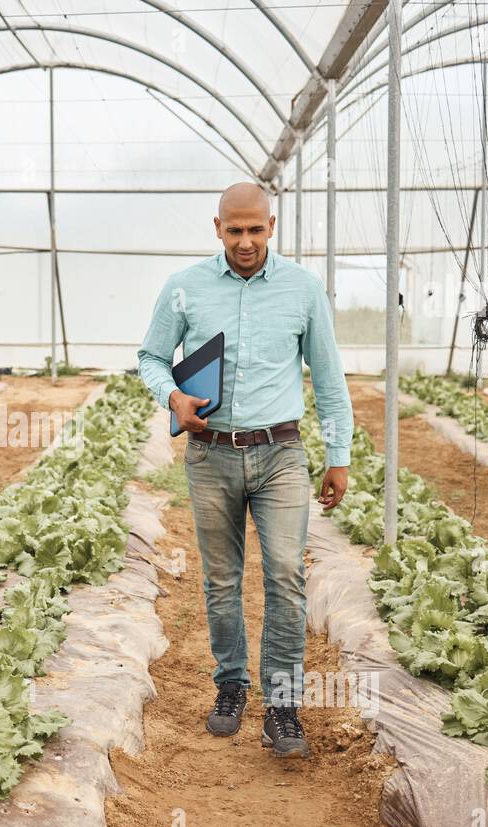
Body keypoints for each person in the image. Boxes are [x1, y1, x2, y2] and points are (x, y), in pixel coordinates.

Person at [137, 182, 353, 759]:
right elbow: (151, 358)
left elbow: (329, 381)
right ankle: (231, 684)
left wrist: (340, 455)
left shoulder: (303, 290)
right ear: (217, 228)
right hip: (211, 454)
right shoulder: (185, 288)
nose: (245, 241)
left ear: (271, 226)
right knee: (221, 578)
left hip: (281, 452)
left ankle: (282, 707)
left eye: (255, 230)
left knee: (285, 574)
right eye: (234, 231)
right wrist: (173, 399)